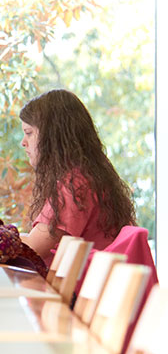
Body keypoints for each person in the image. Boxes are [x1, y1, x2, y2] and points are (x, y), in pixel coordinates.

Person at [19, 89, 136, 264]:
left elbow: (33, 248)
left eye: (29, 133)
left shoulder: (74, 184)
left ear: (52, 136)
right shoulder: (86, 176)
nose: (23, 142)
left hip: (78, 288)